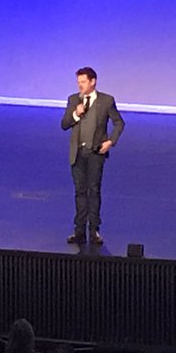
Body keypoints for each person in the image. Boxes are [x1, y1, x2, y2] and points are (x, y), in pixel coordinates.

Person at [60, 66, 125, 246]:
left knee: (93, 191)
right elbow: (64, 124)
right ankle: (79, 231)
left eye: (83, 82)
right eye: (78, 82)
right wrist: (75, 114)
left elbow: (119, 123)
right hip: (77, 153)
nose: (80, 85)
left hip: (96, 153)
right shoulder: (74, 100)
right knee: (80, 191)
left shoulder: (106, 101)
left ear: (92, 81)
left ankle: (94, 230)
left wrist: (110, 141)